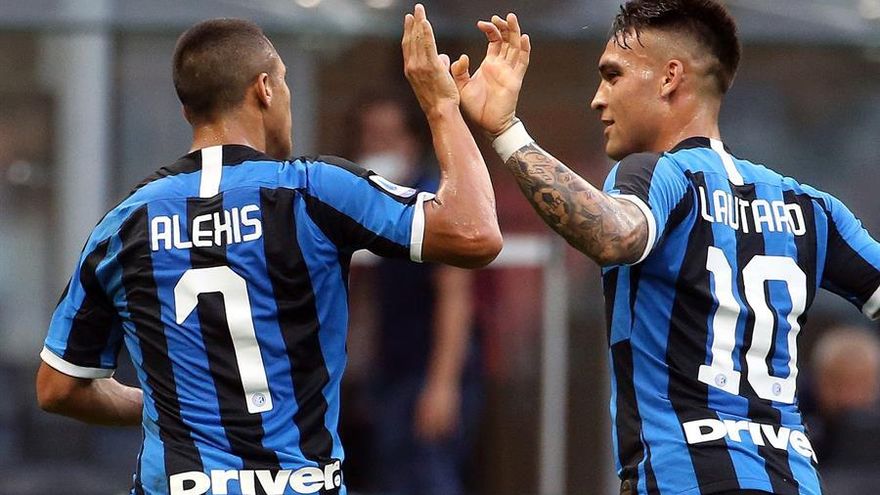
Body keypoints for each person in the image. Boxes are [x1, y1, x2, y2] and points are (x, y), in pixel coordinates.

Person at [34, 5, 501, 495]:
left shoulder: (126, 224)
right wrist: (440, 104)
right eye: (285, 82)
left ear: (188, 111)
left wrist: (173, 409)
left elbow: (58, 387)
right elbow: (475, 233)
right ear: (265, 89)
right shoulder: (315, 191)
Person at [446, 0, 880, 494]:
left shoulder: (657, 175)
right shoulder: (811, 208)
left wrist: (506, 131)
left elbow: (613, 235)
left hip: (684, 479)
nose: (597, 99)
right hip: (794, 481)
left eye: (613, 76)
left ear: (670, 78)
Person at [348, 93, 483, 495]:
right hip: (390, 372)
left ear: (411, 141)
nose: (377, 146)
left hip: (430, 371)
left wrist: (442, 385)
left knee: (429, 475)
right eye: (369, 136)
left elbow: (455, 297)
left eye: (387, 136)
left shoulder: (430, 203)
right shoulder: (375, 210)